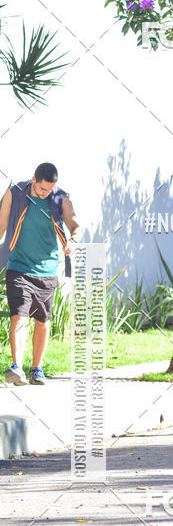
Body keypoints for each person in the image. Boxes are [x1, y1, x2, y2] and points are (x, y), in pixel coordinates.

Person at [0, 163, 81, 386]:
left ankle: (37, 368)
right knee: (18, 316)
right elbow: (1, 226)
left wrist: (73, 241)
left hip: (47, 269)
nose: (46, 194)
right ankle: (17, 368)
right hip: (19, 266)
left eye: (50, 190)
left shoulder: (60, 198)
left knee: (42, 320)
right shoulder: (14, 192)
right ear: (34, 179)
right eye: (43, 190)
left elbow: (75, 226)